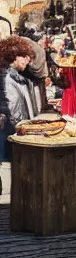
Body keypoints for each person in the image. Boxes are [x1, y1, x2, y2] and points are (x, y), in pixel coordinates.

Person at [0, 36, 37, 165]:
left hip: (17, 134)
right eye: (23, 56)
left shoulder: (18, 77)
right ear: (13, 56)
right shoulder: (7, 78)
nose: (27, 59)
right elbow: (12, 109)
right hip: (12, 136)